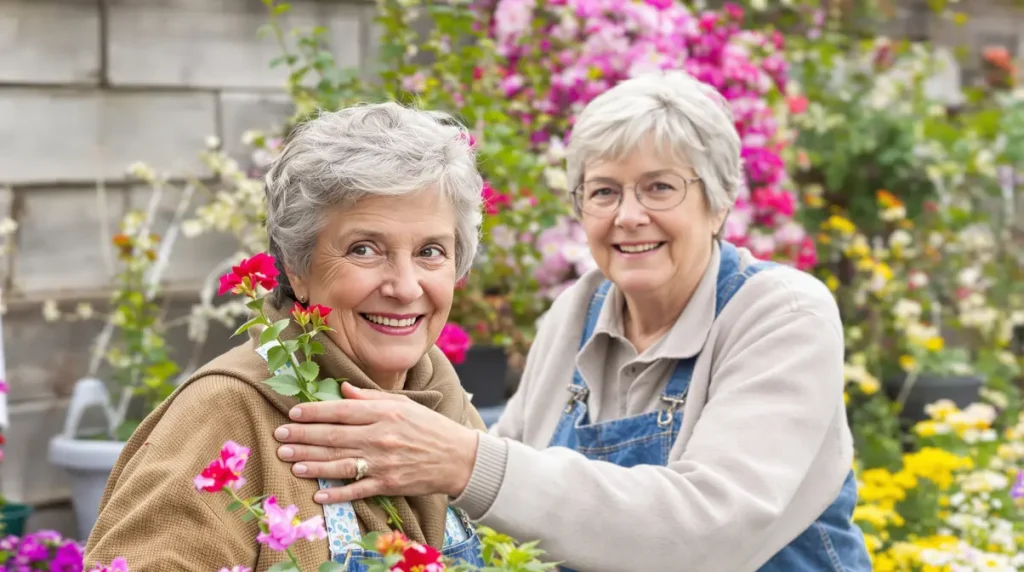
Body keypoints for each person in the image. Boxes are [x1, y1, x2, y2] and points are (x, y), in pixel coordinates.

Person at [271, 70, 873, 572]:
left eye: (659, 188)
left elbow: (709, 531)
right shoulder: (579, 310)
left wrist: (463, 460)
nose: (628, 216)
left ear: (718, 202)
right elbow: (507, 485)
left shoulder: (782, 314)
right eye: (604, 192)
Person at [84, 102, 490, 571]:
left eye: (430, 251)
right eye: (364, 249)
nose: (404, 287)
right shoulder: (225, 414)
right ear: (297, 268)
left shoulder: (449, 405)